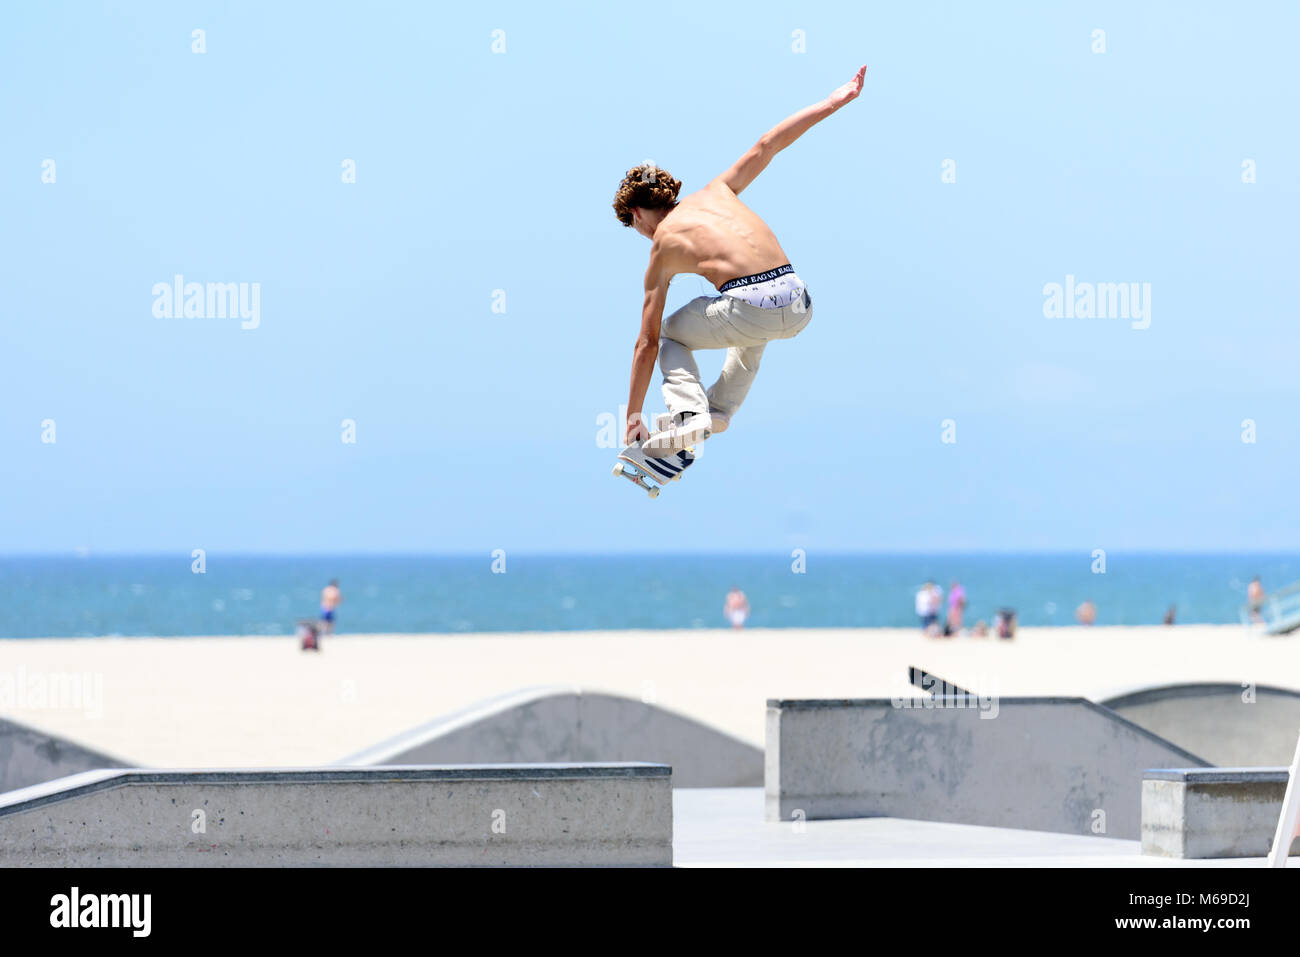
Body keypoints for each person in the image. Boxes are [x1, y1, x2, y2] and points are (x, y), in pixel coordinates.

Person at [612, 66, 867, 474]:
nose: (639, 233)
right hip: (800, 302)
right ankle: (719, 410)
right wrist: (835, 100)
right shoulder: (719, 189)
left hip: (752, 308)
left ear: (638, 212)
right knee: (748, 321)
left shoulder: (662, 245)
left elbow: (646, 345)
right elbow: (768, 144)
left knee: (669, 333)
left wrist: (633, 416)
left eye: (633, 224)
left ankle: (690, 413)